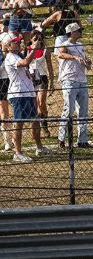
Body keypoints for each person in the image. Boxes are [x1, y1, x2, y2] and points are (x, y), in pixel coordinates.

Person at [4, 33, 45, 162]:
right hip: (18, 94)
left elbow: (25, 66)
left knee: (35, 120)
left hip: (28, 92)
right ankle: (17, 153)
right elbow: (26, 62)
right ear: (8, 46)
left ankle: (39, 147)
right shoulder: (10, 57)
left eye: (18, 41)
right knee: (19, 123)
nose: (18, 43)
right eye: (15, 42)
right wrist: (34, 49)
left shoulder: (17, 55)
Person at [55, 22, 91, 148]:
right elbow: (61, 54)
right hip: (69, 79)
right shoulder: (65, 44)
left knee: (83, 110)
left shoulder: (81, 45)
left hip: (82, 79)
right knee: (69, 109)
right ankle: (61, 138)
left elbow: (84, 58)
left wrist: (87, 62)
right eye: (78, 30)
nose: (81, 32)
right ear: (72, 32)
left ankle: (82, 139)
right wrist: (75, 57)